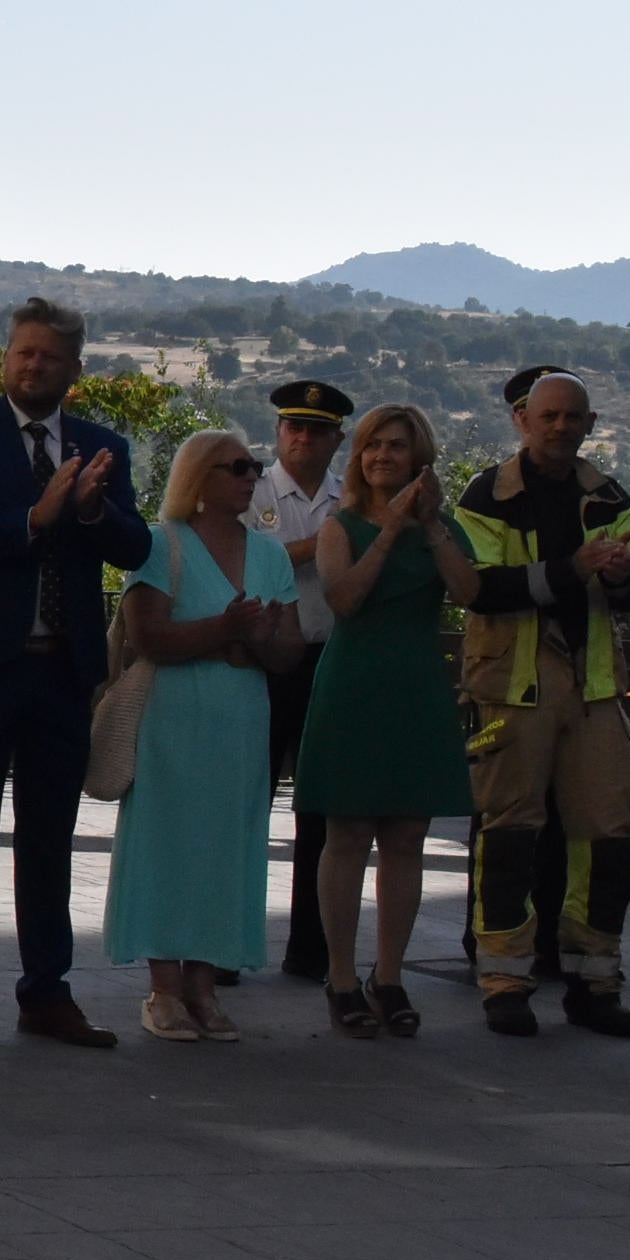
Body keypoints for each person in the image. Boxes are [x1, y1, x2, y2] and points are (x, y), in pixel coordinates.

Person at [0, 296, 152, 1049]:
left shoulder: (100, 445)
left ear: (74, 368)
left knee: (49, 838)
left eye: (49, 356)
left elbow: (135, 546)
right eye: (23, 352)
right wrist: (34, 517)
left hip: (61, 672)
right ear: (5, 356)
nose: (32, 364)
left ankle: (46, 991)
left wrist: (87, 512)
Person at [455, 367, 630, 1040]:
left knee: (610, 835)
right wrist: (575, 569)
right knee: (510, 833)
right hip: (513, 683)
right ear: (523, 421)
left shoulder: (611, 495)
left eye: (574, 417)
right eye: (550, 416)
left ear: (591, 425)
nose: (561, 427)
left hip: (594, 687)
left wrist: (625, 577)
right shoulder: (486, 494)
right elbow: (483, 586)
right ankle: (504, 980)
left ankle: (595, 979)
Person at [107, 431, 302, 1041]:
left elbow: (291, 651)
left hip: (241, 715)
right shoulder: (162, 546)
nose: (250, 476)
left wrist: (265, 637)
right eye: (236, 467)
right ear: (199, 478)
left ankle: (205, 985)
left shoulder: (270, 555)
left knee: (227, 846)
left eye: (254, 466)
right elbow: (150, 639)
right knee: (169, 843)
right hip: (176, 716)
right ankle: (163, 988)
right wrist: (226, 628)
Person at [301, 404, 480, 1040]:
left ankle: (391, 974)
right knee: (347, 834)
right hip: (354, 685)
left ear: (418, 458)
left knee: (407, 835)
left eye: (396, 447)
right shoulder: (338, 525)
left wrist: (428, 528)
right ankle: (342, 978)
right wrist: (388, 530)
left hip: (417, 686)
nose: (382, 455)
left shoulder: (446, 527)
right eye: (373, 445)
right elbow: (344, 600)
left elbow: (471, 594)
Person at [248, 378, 350, 982]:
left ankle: (311, 950)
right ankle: (224, 946)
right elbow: (259, 560)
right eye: (293, 426)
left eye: (316, 429)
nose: (302, 437)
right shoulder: (251, 490)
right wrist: (328, 543)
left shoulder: (349, 495)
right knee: (245, 804)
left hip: (328, 661)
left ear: (337, 438)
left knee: (321, 813)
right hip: (261, 662)